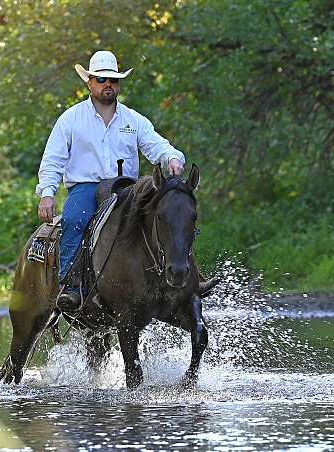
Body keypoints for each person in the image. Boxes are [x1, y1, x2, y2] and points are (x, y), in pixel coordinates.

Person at [36, 50, 217, 311]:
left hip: (127, 187)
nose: (108, 85)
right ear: (89, 83)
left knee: (171, 216)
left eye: (113, 80)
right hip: (87, 187)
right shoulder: (71, 119)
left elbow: (156, 145)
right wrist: (47, 193)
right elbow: (53, 159)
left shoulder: (133, 120)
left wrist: (172, 159)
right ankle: (71, 285)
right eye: (101, 79)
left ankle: (189, 279)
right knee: (75, 219)